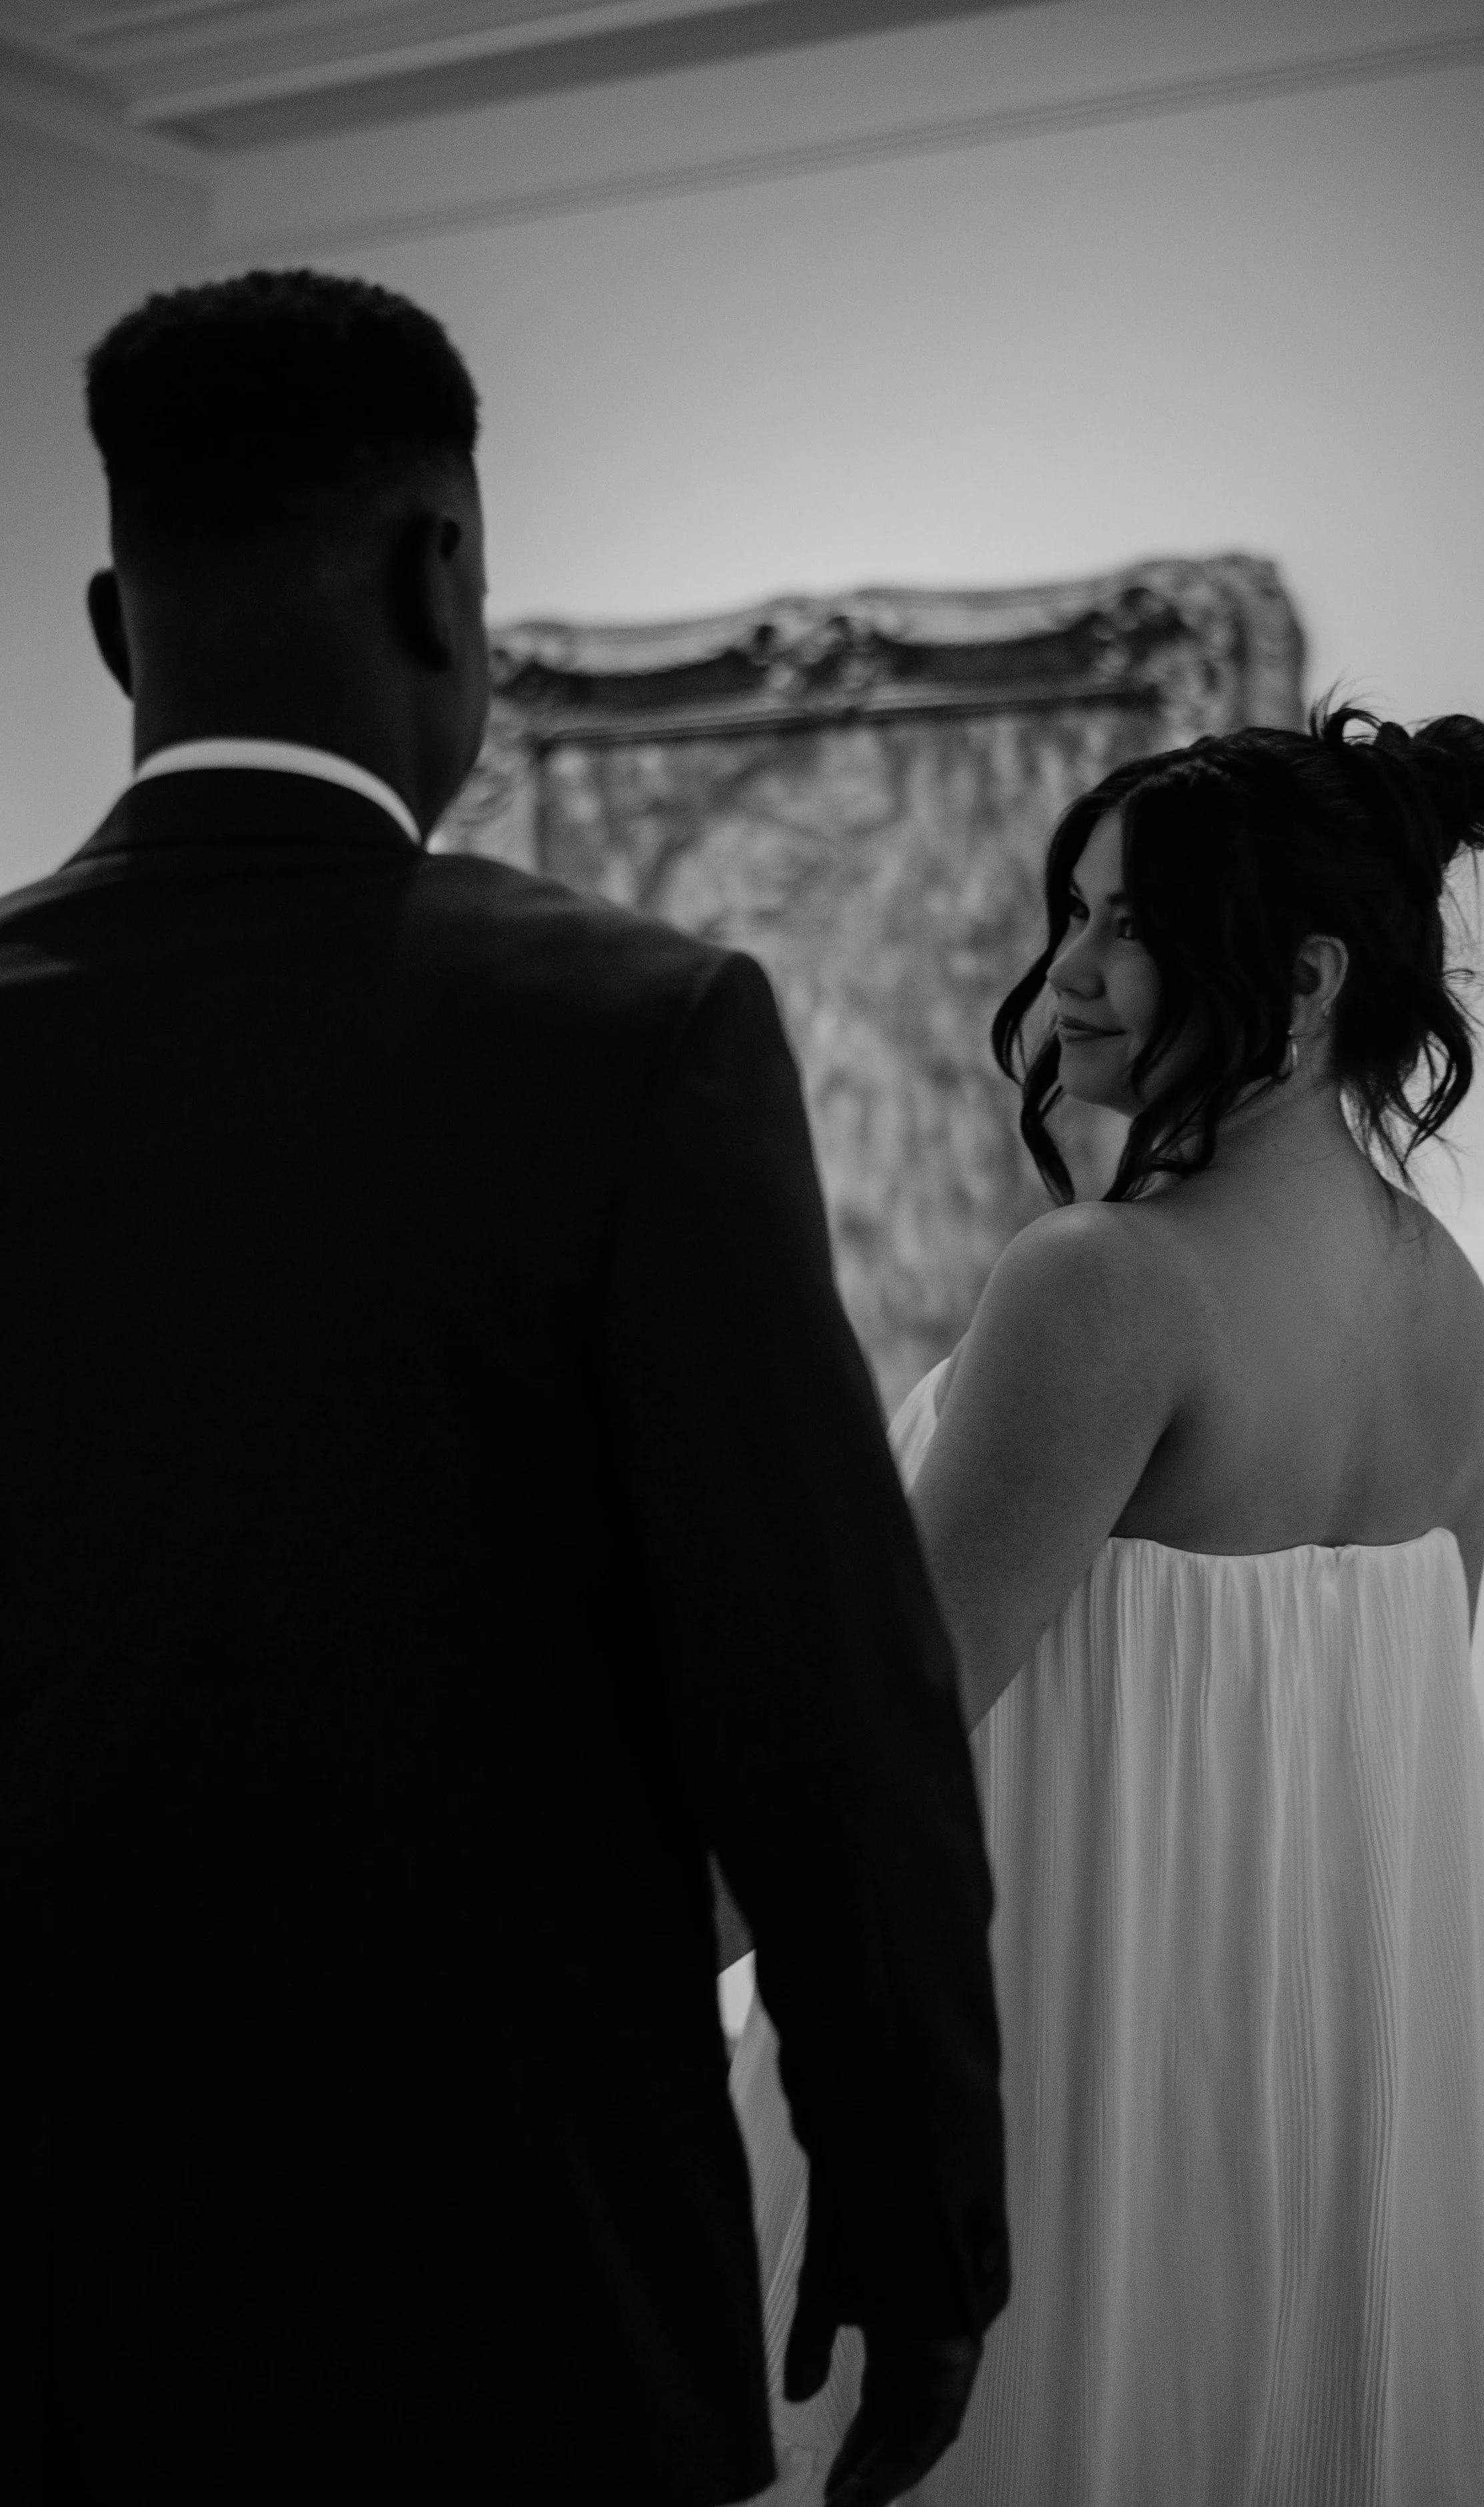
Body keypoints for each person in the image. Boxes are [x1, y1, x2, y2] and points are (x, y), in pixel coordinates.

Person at [0, 269, 1009, 2507]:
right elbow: (825, 1703)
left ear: (108, 624)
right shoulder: (630, 1037)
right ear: (444, 575)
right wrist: (916, 2202)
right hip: (499, 2292)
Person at [732, 704, 1484, 2504]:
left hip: (1054, 2105)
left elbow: (880, 1748)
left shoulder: (1104, 1284)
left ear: (1312, 973)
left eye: (1131, 922)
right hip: (1296, 2119)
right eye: (1075, 912)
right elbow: (1370, 1821)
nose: (1071, 971)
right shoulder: (1453, 1319)